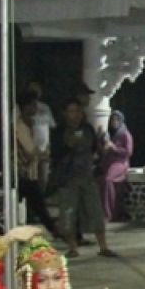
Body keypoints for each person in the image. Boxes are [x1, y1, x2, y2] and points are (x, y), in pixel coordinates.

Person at [52, 100, 115, 259]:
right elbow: (56, 152)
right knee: (68, 213)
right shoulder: (59, 131)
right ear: (65, 113)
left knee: (95, 210)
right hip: (68, 178)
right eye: (72, 111)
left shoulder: (88, 129)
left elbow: (95, 149)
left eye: (78, 111)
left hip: (87, 176)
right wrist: (70, 144)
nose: (76, 115)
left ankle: (103, 246)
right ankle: (72, 247)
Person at [13, 92, 59, 237]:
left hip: (28, 172)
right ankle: (55, 230)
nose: (36, 108)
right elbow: (30, 150)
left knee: (36, 204)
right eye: (33, 105)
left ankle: (54, 229)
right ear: (25, 107)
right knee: (36, 203)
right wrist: (43, 153)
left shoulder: (29, 124)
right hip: (21, 172)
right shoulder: (20, 126)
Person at [96, 110, 133, 221]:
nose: (114, 122)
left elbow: (128, 152)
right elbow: (101, 151)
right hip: (108, 162)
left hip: (120, 163)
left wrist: (114, 148)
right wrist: (100, 140)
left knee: (108, 180)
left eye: (117, 119)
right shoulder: (109, 134)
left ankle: (108, 213)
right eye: (112, 119)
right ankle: (105, 211)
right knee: (99, 180)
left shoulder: (125, 134)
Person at [27, 81, 56, 192]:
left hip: (44, 150)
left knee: (44, 179)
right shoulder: (24, 108)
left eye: (37, 90)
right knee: (31, 179)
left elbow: (52, 126)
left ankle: (40, 202)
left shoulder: (45, 108)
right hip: (30, 151)